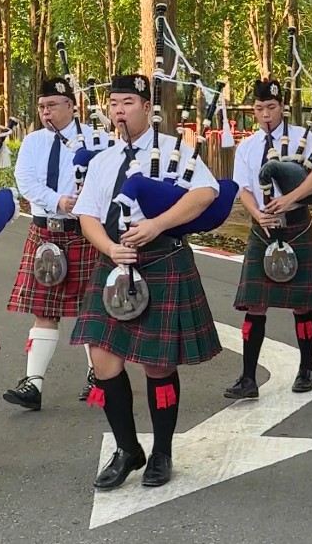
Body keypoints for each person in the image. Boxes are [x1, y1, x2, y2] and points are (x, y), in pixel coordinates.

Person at [72, 74, 221, 491]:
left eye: (128, 102)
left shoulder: (175, 151)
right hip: (115, 262)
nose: (119, 111)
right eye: (113, 103)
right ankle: (127, 449)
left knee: (158, 364)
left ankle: (162, 450)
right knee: (102, 358)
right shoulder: (103, 160)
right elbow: (87, 214)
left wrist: (157, 224)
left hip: (162, 259)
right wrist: (108, 247)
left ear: (146, 107)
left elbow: (205, 193)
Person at [224, 78, 312, 399]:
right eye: (259, 108)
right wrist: (257, 214)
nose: (265, 115)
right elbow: (244, 189)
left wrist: (291, 199)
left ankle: (306, 368)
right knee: (254, 305)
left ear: (282, 107)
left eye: (271, 108)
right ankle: (248, 378)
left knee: (302, 305)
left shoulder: (303, 138)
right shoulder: (247, 147)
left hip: (296, 224)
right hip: (263, 229)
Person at [3, 76, 106, 411]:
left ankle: (99, 378)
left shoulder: (96, 138)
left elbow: (110, 178)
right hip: (45, 231)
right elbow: (26, 180)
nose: (45, 112)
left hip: (84, 233)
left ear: (71, 106)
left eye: (52, 105)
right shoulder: (33, 142)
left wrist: (87, 199)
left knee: (92, 311)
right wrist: (59, 201)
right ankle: (32, 384)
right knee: (43, 310)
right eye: (41, 106)